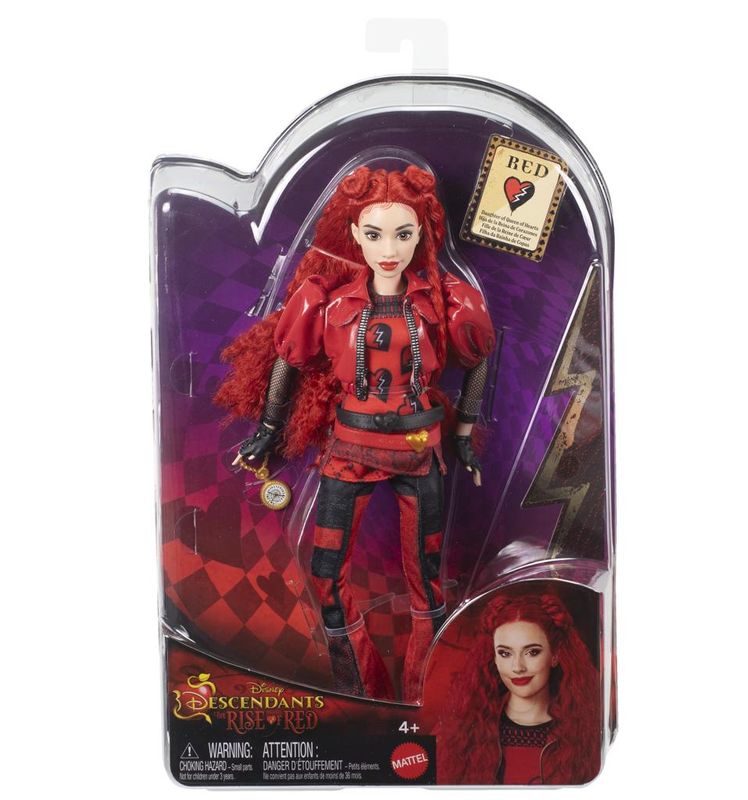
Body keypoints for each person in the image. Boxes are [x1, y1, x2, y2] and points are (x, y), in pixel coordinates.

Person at [215, 164, 495, 702]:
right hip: (350, 448)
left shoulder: (445, 301)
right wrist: (269, 427)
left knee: (428, 580)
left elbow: (477, 357)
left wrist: (462, 433)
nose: (389, 248)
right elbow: (286, 361)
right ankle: (360, 690)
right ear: (354, 234)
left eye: (403, 234)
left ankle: (424, 693)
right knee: (325, 574)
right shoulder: (327, 301)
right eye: (374, 234)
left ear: (421, 233)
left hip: (419, 449)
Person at [436, 592, 601, 784]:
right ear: (494, 658)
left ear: (555, 655)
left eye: (532, 652)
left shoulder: (587, 731)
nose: (517, 667)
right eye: (505, 653)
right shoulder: (462, 730)